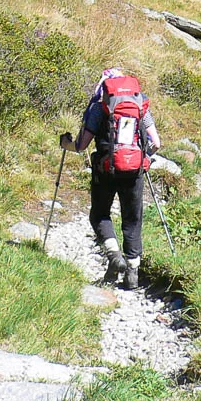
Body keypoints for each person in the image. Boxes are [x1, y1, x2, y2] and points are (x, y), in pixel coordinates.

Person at [60, 68, 160, 289]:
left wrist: (64, 143)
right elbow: (156, 143)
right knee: (132, 220)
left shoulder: (99, 106)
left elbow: (81, 146)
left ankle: (114, 256)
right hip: (134, 171)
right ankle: (132, 274)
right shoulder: (140, 104)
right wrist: (143, 158)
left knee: (100, 215)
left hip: (105, 169)